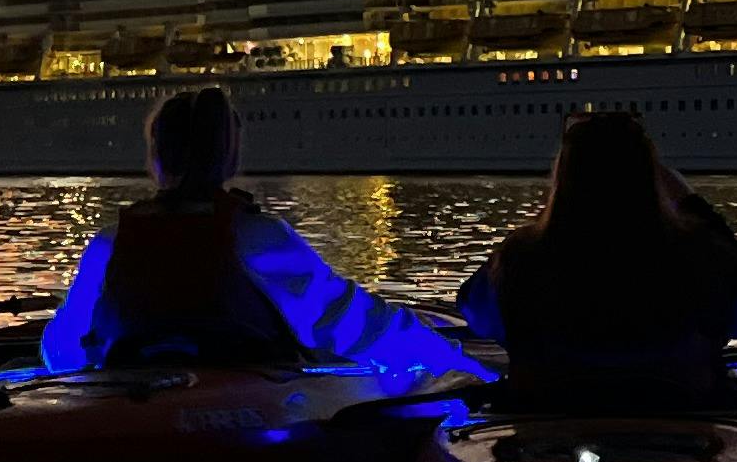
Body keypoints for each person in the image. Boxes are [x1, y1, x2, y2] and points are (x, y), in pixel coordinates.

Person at [47, 84, 483, 385]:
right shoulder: (259, 238)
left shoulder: (111, 243)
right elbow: (357, 325)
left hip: (132, 411)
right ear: (229, 158)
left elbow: (59, 352)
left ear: (157, 157)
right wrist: (458, 363)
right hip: (250, 411)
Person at [454, 109, 737, 409]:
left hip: (546, 415)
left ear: (562, 176)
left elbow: (478, 316)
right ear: (653, 176)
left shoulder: (521, 255)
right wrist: (695, 206)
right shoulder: (701, 249)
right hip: (683, 413)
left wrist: (547, 220)